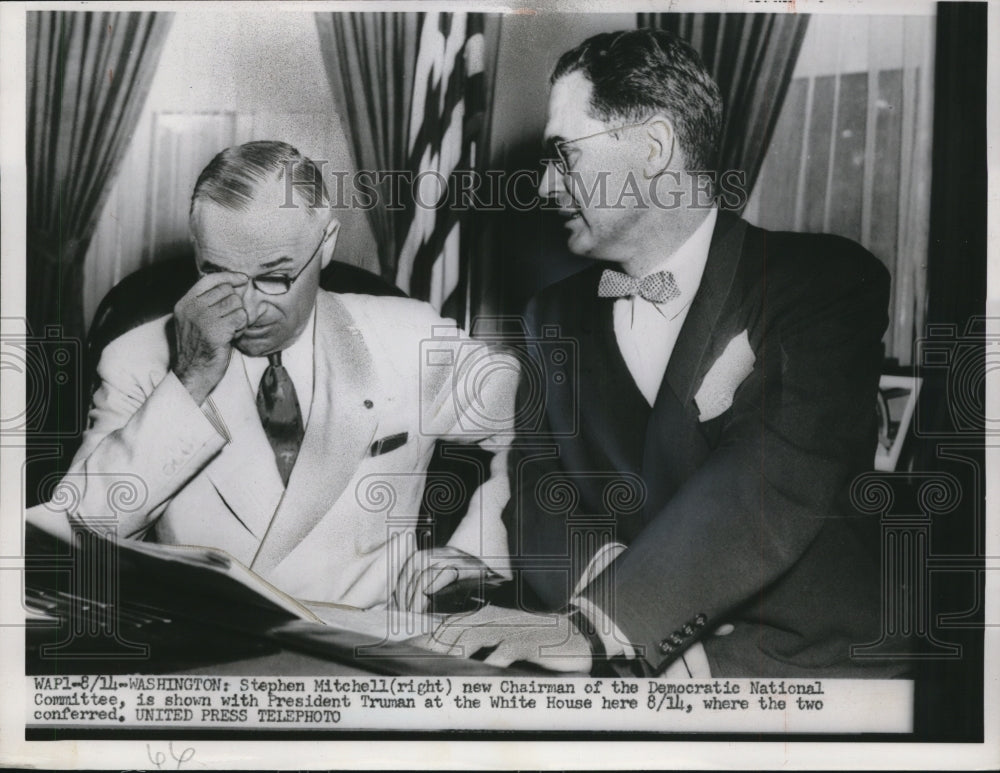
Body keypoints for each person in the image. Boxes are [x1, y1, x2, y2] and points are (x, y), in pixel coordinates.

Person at [422, 29, 898, 678]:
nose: (542, 186)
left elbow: (772, 476)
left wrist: (606, 625)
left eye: (563, 154)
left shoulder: (821, 282)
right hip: (612, 654)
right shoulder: (551, 316)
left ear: (653, 148)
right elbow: (538, 490)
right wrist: (599, 598)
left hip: (794, 674)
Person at [35, 141, 514, 610]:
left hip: (364, 646)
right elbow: (77, 534)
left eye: (275, 277)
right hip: (212, 650)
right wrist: (189, 381)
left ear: (326, 244)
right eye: (217, 274)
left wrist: (479, 552)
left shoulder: (409, 340)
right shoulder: (137, 360)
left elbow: (540, 427)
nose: (247, 308)